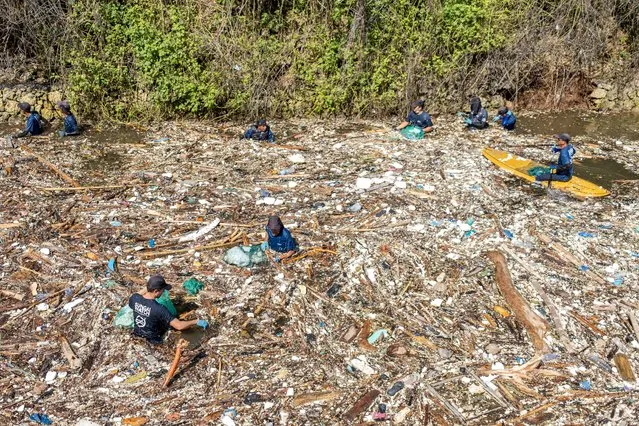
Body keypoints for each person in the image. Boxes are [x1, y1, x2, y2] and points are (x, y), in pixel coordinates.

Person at [128, 275, 208, 345]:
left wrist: (151, 285)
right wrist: (196, 321)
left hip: (136, 336)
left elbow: (138, 293)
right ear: (156, 291)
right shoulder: (159, 308)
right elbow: (179, 326)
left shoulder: (135, 299)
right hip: (153, 341)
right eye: (162, 290)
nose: (163, 292)